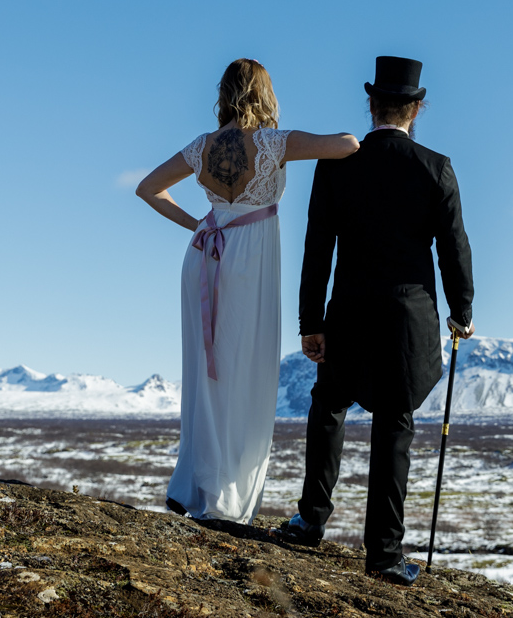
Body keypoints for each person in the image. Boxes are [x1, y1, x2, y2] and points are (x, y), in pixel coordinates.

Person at [136, 58, 359, 524]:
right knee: (245, 373)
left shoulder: (202, 146)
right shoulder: (276, 142)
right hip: (247, 262)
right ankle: (226, 491)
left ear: (224, 93)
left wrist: (196, 223)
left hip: (205, 255)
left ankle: (194, 482)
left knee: (205, 373)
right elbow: (347, 145)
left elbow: (148, 188)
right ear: (264, 93)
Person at [279, 56, 475, 586]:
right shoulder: (436, 167)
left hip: (347, 310)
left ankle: (310, 522)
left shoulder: (336, 165)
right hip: (408, 319)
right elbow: (454, 248)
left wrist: (309, 320)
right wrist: (463, 310)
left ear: (372, 105)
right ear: (417, 108)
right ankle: (384, 555)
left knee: (328, 407)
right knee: (395, 425)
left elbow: (316, 248)